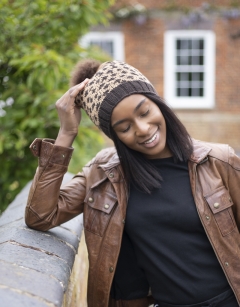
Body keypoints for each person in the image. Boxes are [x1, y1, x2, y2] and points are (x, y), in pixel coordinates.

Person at [25, 60, 240, 307]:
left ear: (158, 104)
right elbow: (40, 216)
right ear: (114, 136)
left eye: (145, 112)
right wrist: (65, 135)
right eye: (124, 127)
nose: (143, 129)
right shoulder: (103, 174)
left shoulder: (218, 162)